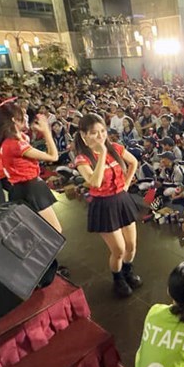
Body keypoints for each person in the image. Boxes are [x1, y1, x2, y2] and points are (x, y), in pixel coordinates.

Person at [74, 114, 142, 298]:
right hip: (103, 204)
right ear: (83, 135)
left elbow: (133, 162)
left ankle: (128, 271)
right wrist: (102, 153)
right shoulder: (82, 159)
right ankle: (118, 278)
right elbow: (94, 183)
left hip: (122, 199)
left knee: (131, 245)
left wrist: (126, 183)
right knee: (118, 250)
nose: (100, 136)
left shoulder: (117, 148)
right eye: (94, 133)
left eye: (103, 131)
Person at [0, 102, 61, 233]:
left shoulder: (13, 139)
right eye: (23, 115)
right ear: (14, 120)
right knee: (54, 231)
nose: (27, 117)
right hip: (31, 188)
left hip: (21, 188)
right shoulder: (15, 144)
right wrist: (46, 131)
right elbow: (53, 157)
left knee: (39, 231)